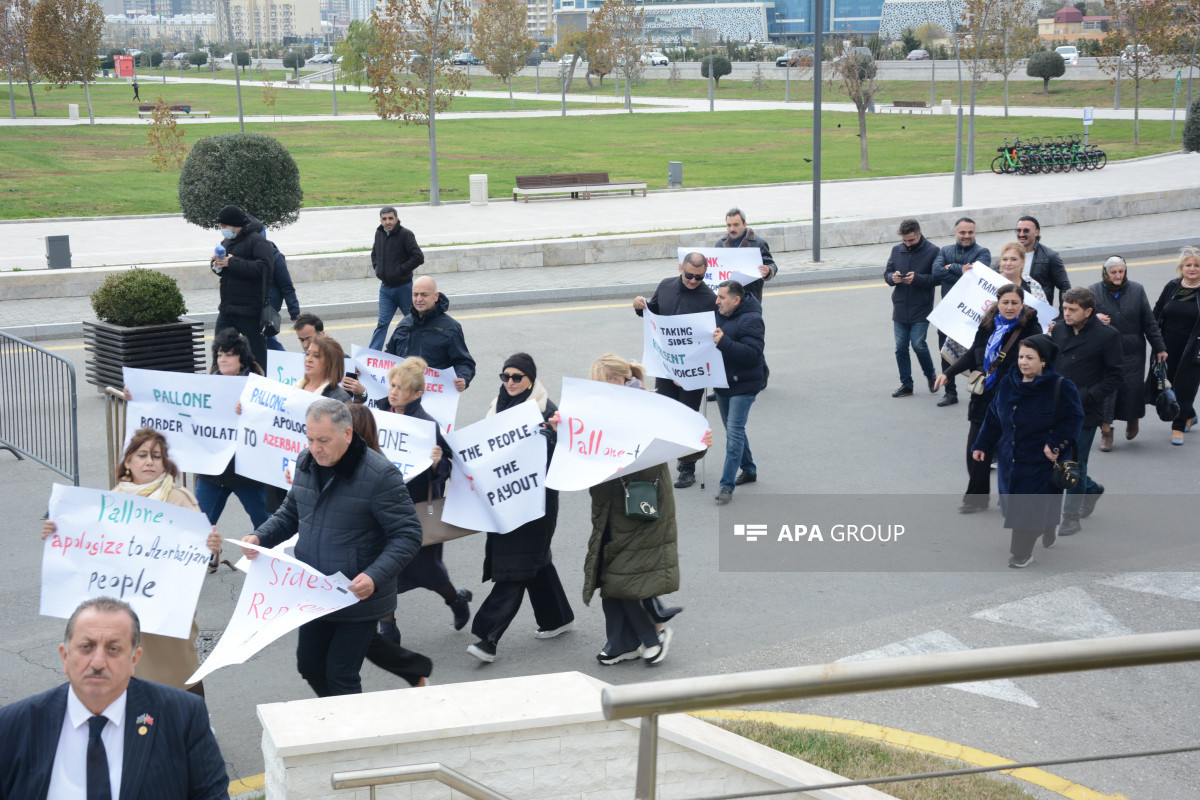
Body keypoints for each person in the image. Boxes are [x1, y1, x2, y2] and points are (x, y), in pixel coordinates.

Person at [241, 399, 424, 697]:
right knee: (309, 666)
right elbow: (291, 513)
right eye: (310, 439)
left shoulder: (380, 475)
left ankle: (351, 736)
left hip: (357, 596)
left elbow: (408, 534)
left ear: (347, 434)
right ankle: (337, 723)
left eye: (323, 440)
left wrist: (375, 577)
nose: (315, 447)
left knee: (341, 675)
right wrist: (260, 537)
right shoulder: (306, 462)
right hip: (315, 591)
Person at [42, 429, 223, 693]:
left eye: (157, 456)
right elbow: (86, 547)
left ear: (165, 463)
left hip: (167, 615)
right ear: (128, 462)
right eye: (142, 455)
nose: (150, 461)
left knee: (180, 679)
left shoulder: (179, 499)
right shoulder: (113, 500)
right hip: (126, 614)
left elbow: (198, 553)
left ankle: (193, 726)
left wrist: (212, 547)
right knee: (133, 684)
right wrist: (56, 534)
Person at [0, 598, 229, 800]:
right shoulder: (12, 726)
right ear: (64, 656)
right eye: (86, 647)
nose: (98, 662)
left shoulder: (184, 718)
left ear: (134, 659)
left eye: (113, 649)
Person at [574, 355, 683, 667]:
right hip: (608, 504)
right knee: (613, 573)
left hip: (640, 501)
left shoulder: (646, 406)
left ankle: (652, 638)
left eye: (609, 379)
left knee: (622, 576)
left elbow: (684, 438)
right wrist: (560, 432)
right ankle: (623, 642)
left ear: (623, 379)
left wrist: (702, 443)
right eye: (599, 381)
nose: (604, 386)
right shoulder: (593, 412)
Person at [467, 353, 574, 664]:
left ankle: (488, 638)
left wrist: (552, 439)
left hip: (536, 507)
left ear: (531, 379)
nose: (510, 382)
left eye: (517, 377)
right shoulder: (497, 407)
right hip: (507, 501)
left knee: (515, 569)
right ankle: (557, 618)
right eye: (505, 377)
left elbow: (562, 462)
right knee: (534, 562)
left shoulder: (547, 411)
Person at [372, 357, 473, 632]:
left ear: (416, 394)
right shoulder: (378, 414)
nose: (393, 392)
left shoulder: (427, 426)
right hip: (382, 507)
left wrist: (438, 462)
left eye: (401, 388)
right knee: (383, 568)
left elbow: (447, 469)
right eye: (392, 385)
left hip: (415, 509)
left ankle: (455, 599)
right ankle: (388, 627)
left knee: (428, 572)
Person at [972, 335, 1084, 568]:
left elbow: (1074, 418)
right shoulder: (1008, 381)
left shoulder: (1061, 386)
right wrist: (982, 444)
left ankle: (1021, 553)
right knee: (1013, 505)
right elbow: (994, 415)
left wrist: (1054, 445)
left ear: (1043, 361)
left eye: (1030, 357)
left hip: (1039, 460)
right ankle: (1048, 524)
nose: (1023, 362)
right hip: (1009, 458)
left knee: (1027, 508)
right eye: (1021, 356)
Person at [934, 284, 1043, 512]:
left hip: (1013, 400)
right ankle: (977, 498)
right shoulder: (987, 324)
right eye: (1005, 302)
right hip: (984, 398)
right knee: (975, 449)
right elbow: (974, 351)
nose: (1010, 307)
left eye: (1015, 303)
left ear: (1022, 304)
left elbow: (1037, 363)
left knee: (1013, 454)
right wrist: (948, 373)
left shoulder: (1032, 329)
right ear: (998, 302)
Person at [347, 404, 433, 688]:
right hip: (347, 569)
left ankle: (413, 668)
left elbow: (406, 532)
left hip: (365, 570)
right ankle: (414, 670)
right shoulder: (333, 468)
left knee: (354, 641)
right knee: (361, 637)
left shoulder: (379, 474)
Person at [633, 251, 717, 489]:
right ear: (681, 268)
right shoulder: (666, 286)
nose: (693, 281)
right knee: (664, 415)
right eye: (689, 275)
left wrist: (688, 370)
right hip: (666, 366)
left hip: (692, 372)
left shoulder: (709, 299)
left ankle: (687, 467)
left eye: (699, 277)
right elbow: (654, 313)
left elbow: (709, 342)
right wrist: (641, 307)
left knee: (687, 417)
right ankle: (659, 466)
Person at [1049, 287, 1123, 536]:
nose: (1065, 313)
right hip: (1056, 405)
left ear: (1088, 311)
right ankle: (1091, 489)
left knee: (1074, 462)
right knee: (1056, 459)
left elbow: (1115, 376)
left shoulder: (1108, 336)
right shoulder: (1059, 328)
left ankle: (1071, 516)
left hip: (1085, 409)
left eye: (1072, 309)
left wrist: (1088, 395)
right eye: (1064, 308)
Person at [1089, 256, 1168, 450]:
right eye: (1113, 272)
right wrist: (1094, 317)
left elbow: (1149, 322)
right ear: (1105, 273)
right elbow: (1081, 315)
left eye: (1121, 271)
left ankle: (1133, 419)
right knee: (1107, 391)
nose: (1118, 275)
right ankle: (1106, 432)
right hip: (1105, 351)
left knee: (1132, 389)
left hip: (1132, 349)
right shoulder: (1093, 291)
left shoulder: (1137, 289)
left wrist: (1160, 347)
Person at [193, 328, 270, 528]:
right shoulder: (206, 387)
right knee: (198, 525)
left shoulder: (259, 389)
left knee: (264, 524)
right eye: (219, 354)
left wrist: (251, 411)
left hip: (245, 472)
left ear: (242, 359)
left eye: (229, 354)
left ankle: (274, 558)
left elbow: (272, 422)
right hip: (212, 471)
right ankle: (203, 558)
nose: (223, 359)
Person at [712, 280, 765, 505]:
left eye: (722, 298)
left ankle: (726, 485)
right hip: (723, 383)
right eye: (717, 296)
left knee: (734, 433)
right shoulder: (719, 314)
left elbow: (753, 354)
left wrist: (723, 342)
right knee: (734, 430)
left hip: (744, 385)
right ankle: (750, 469)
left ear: (736, 300)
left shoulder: (752, 319)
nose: (717, 301)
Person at [931, 217, 991, 407]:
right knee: (945, 353)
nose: (966, 236)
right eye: (962, 232)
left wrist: (952, 267)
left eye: (970, 232)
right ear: (955, 232)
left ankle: (978, 389)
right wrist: (962, 271)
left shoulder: (983, 252)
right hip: (949, 313)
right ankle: (950, 393)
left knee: (974, 353)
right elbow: (936, 272)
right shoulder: (945, 250)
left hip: (972, 314)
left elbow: (977, 275)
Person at [715, 208, 776, 388]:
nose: (732, 229)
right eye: (728, 225)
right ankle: (723, 380)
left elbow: (771, 264)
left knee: (749, 336)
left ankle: (760, 372)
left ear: (744, 224)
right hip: (727, 300)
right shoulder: (720, 243)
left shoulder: (758, 242)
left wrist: (768, 271)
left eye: (736, 224)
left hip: (749, 299)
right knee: (726, 336)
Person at [383, 276, 476, 393]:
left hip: (434, 397)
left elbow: (464, 362)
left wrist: (463, 378)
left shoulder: (451, 328)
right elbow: (387, 357)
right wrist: (365, 369)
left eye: (424, 295)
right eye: (415, 294)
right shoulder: (404, 323)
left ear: (435, 297)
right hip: (404, 396)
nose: (419, 299)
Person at [210, 204, 273, 369]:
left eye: (224, 226)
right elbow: (224, 268)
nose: (222, 229)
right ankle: (218, 381)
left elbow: (264, 268)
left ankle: (259, 381)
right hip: (227, 309)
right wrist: (216, 264)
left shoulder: (257, 241)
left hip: (249, 310)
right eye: (220, 226)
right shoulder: (227, 241)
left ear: (235, 224)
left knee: (256, 355)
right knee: (219, 350)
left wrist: (232, 262)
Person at [884, 218, 940, 398]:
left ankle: (930, 374)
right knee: (900, 348)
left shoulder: (933, 251)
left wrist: (917, 278)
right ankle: (906, 384)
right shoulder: (896, 250)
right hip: (900, 307)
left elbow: (936, 279)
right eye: (904, 241)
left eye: (911, 240)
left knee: (918, 344)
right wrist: (893, 277)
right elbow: (887, 274)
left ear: (919, 234)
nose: (907, 244)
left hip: (921, 307)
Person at [1151, 246, 1200, 445]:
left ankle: (1178, 426)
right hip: (1168, 345)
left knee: (1186, 386)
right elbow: (1157, 311)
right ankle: (1189, 413)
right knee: (1167, 383)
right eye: (1188, 265)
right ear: (1181, 267)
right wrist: (1156, 340)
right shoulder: (1173, 286)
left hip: (1194, 347)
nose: (1192, 268)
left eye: (1197, 265)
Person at [370, 206, 425, 351]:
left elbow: (418, 257)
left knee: (414, 321)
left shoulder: (405, 234)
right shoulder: (379, 233)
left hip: (404, 288)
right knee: (382, 324)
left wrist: (400, 270)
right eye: (384, 219)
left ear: (397, 219)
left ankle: (423, 351)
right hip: (385, 289)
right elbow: (374, 252)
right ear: (381, 220)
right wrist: (377, 268)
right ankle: (370, 357)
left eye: (390, 218)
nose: (388, 222)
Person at [1015, 215, 1070, 307]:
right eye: (1018, 230)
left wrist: (1062, 313)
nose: (1021, 234)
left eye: (1026, 230)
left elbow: (1064, 286)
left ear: (1036, 232)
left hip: (1038, 313)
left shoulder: (1050, 256)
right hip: (1012, 312)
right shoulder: (1008, 256)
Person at [265, 243, 302, 352]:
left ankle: (283, 362)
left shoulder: (275, 256)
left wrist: (295, 313)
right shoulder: (244, 253)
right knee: (265, 339)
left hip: (268, 308)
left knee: (264, 339)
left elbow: (287, 287)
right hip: (249, 306)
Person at [298, 334, 353, 403]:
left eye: (316, 356)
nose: (309, 359)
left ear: (330, 363)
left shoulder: (339, 399)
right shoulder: (294, 388)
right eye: (307, 354)